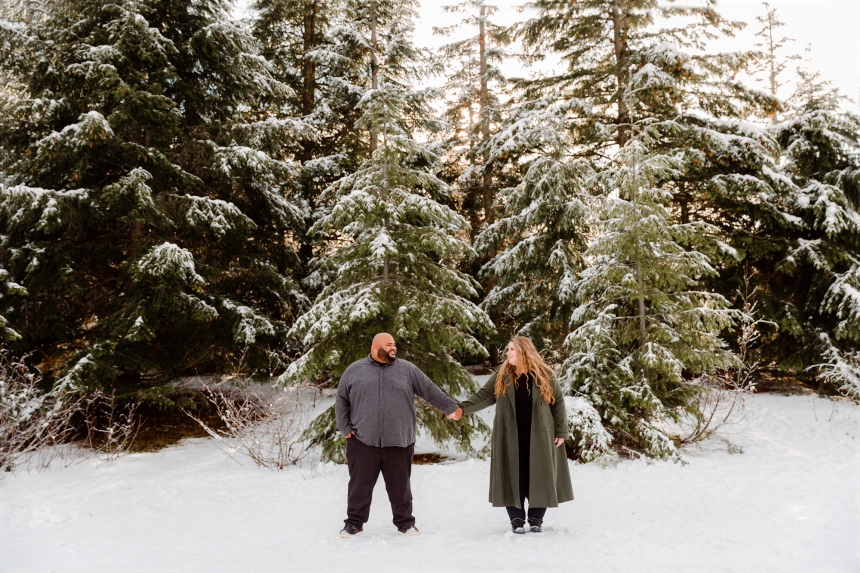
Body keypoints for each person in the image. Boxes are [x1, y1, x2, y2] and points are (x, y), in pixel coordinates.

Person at [335, 333, 463, 538]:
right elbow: (342, 400)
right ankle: (353, 523)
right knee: (359, 485)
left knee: (400, 486)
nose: (393, 348)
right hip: (362, 440)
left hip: (399, 439)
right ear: (376, 346)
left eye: (394, 345)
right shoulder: (354, 370)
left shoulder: (407, 370)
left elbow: (430, 390)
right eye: (389, 345)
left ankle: (405, 523)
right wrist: (344, 427)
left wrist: (450, 407)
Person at [455, 336, 573, 534]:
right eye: (508, 349)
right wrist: (460, 409)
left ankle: (536, 518)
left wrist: (561, 431)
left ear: (523, 352)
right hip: (510, 435)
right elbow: (484, 395)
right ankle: (516, 519)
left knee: (539, 474)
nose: (507, 353)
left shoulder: (545, 374)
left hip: (540, 435)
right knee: (513, 474)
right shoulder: (502, 375)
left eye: (511, 349)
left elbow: (558, 402)